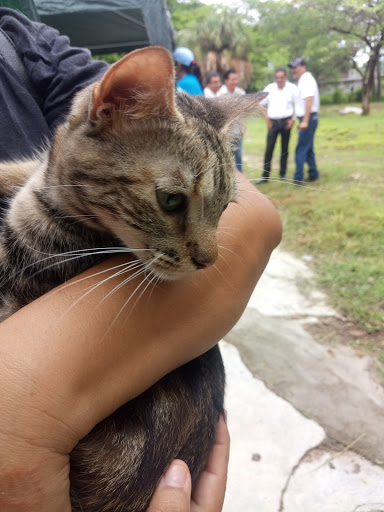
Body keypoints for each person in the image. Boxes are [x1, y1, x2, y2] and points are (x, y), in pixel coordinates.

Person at [0, 8, 282, 511]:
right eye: (173, 201)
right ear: (112, 110)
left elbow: (262, 219)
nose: (207, 254)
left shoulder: (24, 43)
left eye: (215, 213)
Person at [256, 67, 298, 184]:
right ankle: (265, 175)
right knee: (269, 149)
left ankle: (283, 173)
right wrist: (267, 119)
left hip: (286, 121)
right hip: (273, 122)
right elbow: (260, 105)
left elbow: (299, 105)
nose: (279, 80)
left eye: (281, 77)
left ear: (286, 77)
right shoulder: (270, 88)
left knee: (285, 148)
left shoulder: (292, 88)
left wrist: (293, 119)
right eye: (277, 78)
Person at [288, 57, 320, 183]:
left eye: (296, 67)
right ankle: (313, 173)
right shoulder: (302, 80)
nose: (293, 70)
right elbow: (301, 104)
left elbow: (309, 100)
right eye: (292, 68)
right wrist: (296, 118)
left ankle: (298, 178)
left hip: (309, 118)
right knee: (308, 147)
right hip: (308, 117)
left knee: (301, 148)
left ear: (304, 67)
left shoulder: (306, 79)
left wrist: (305, 121)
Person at [217, 69, 246, 172]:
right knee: (226, 155)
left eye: (236, 79)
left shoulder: (241, 92)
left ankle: (241, 177)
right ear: (226, 81)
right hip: (226, 131)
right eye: (232, 79)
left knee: (238, 155)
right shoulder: (220, 94)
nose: (235, 82)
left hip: (238, 130)